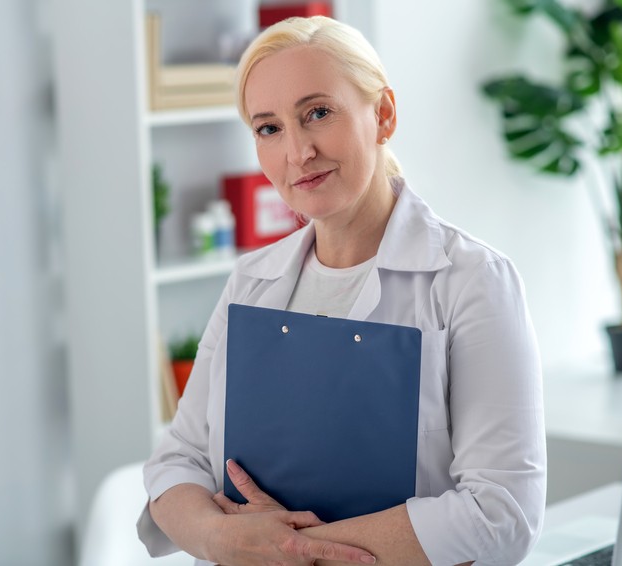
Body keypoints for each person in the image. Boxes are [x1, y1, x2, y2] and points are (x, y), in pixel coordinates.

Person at [137, 15, 546, 566]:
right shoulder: (251, 282)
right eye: (269, 128)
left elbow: (502, 513)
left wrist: (294, 550)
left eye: (318, 113)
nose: (297, 152)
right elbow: (175, 463)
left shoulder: (471, 281)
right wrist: (221, 539)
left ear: (383, 115)